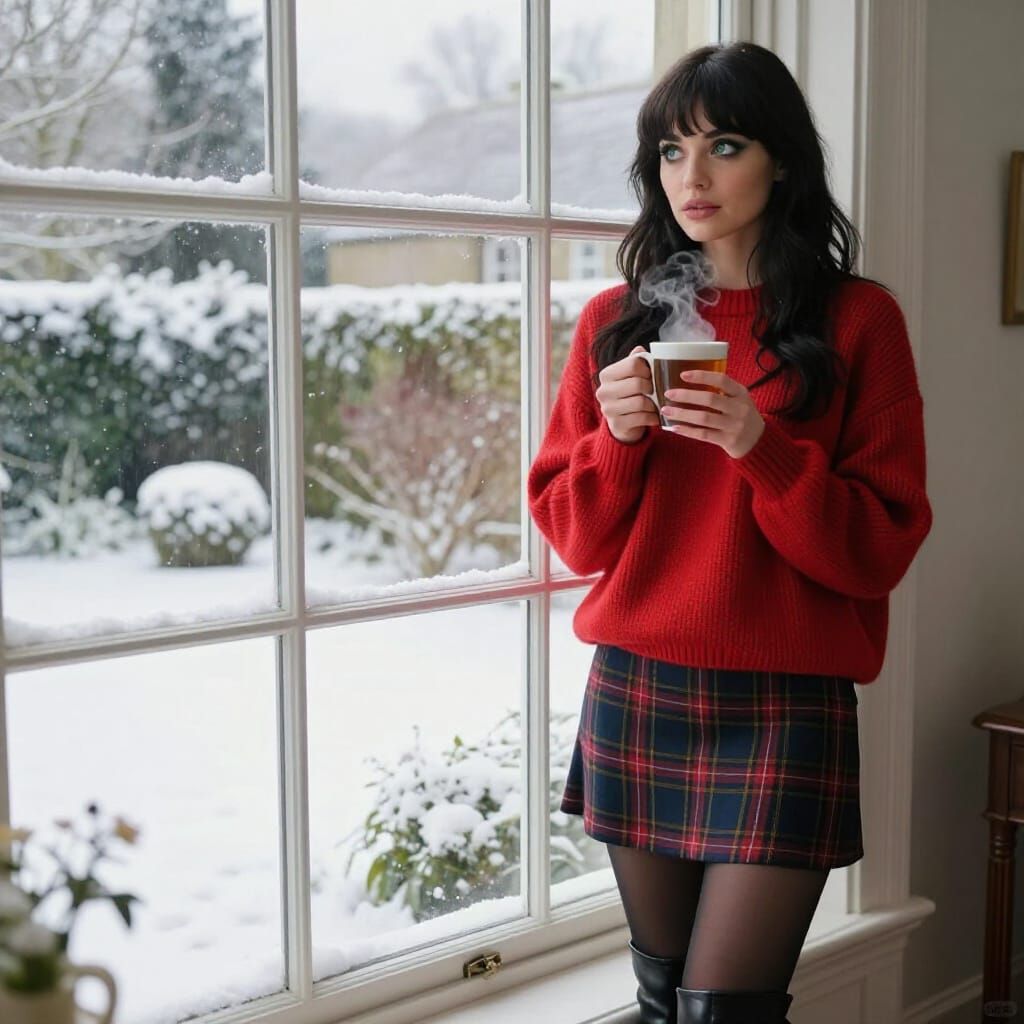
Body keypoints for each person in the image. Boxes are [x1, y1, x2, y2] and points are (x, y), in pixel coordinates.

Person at [527, 41, 932, 1024]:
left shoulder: (858, 321)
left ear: (781, 160)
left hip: (786, 701)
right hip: (639, 685)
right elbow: (573, 537)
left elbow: (878, 546)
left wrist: (764, 446)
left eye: (724, 145)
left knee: (727, 1010)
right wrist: (619, 437)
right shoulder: (614, 323)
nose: (691, 178)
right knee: (664, 1001)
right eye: (670, 152)